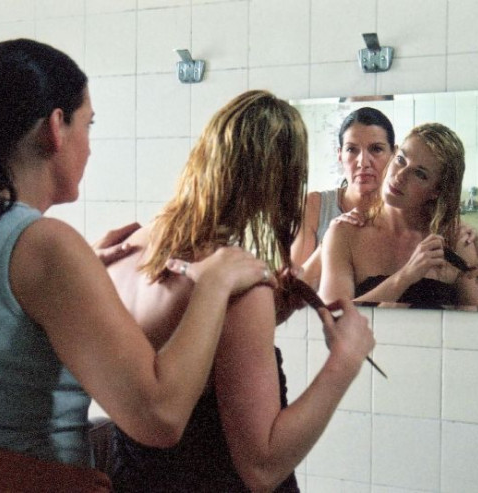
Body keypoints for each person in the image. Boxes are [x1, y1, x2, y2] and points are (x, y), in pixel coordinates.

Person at [0, 39, 272, 492]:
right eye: (88, 124)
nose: (89, 147)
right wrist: (213, 284)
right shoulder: (46, 245)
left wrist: (73, 271)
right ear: (55, 127)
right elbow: (160, 417)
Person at [104, 90, 376, 492]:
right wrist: (344, 360)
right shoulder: (236, 285)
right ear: (281, 179)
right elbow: (262, 468)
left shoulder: (123, 252)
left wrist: (270, 313)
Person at [319, 122, 478, 310]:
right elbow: (333, 316)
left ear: (436, 190)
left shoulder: (455, 241)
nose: (400, 176)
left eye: (419, 174)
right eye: (401, 160)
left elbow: (474, 326)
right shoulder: (345, 233)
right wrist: (406, 276)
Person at [290, 107, 395, 289]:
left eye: (376, 149)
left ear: (393, 154)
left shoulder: (402, 212)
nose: (363, 162)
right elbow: (293, 290)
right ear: (340, 154)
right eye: (352, 150)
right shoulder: (314, 206)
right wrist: (330, 241)